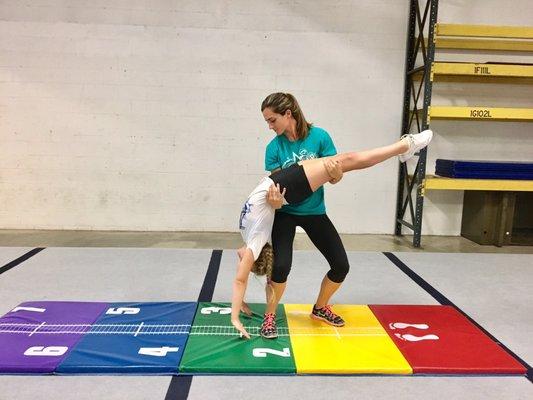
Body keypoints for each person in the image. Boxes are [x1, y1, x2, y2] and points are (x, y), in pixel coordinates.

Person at [232, 128, 433, 338]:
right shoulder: (248, 240)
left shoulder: (253, 243)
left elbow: (241, 277)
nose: (270, 125)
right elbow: (241, 274)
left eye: (272, 119)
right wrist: (240, 302)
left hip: (293, 195)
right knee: (284, 266)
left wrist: (236, 314)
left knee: (347, 161)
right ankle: (271, 315)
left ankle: (405, 145)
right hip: (285, 203)